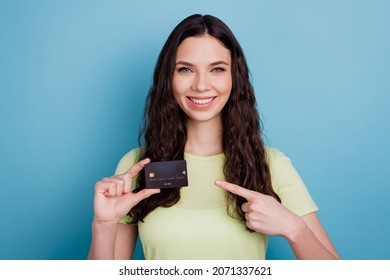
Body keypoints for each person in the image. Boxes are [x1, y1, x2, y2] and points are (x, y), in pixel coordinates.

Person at [88, 14, 340, 260]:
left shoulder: (271, 164)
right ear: (169, 78)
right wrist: (104, 223)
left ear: (234, 77)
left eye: (217, 69)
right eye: (186, 69)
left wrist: (294, 228)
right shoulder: (136, 166)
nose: (201, 85)